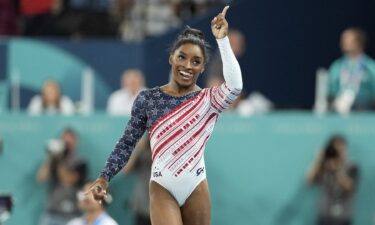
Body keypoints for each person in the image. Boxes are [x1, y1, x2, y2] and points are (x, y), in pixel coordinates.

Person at [87, 6, 242, 225]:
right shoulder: (148, 99)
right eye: (182, 57)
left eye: (196, 61)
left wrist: (223, 41)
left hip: (196, 185)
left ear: (203, 67)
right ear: (171, 58)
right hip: (162, 187)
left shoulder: (209, 100)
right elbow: (127, 143)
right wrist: (104, 177)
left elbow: (235, 86)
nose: (188, 66)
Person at [36, 128, 88, 225]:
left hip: (73, 214)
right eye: (64, 141)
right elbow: (41, 178)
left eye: (70, 141)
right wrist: (51, 157)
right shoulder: (53, 160)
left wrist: (60, 159)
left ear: (75, 142)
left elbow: (69, 180)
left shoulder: (80, 161)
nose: (67, 145)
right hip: (53, 213)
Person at [306, 135, 359, 225]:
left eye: (341, 149)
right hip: (324, 216)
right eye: (336, 149)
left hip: (343, 217)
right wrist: (318, 160)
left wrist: (337, 169)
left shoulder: (352, 166)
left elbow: (349, 187)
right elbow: (309, 180)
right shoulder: (323, 166)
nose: (338, 152)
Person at [328, 28, 375, 113]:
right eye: (343, 40)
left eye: (347, 40)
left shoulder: (371, 67)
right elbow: (331, 92)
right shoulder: (337, 66)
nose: (343, 42)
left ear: (359, 43)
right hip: (339, 110)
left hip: (364, 112)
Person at [123, 136, 152, 225]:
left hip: (162, 204)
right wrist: (138, 148)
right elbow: (126, 170)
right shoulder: (142, 154)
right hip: (142, 206)